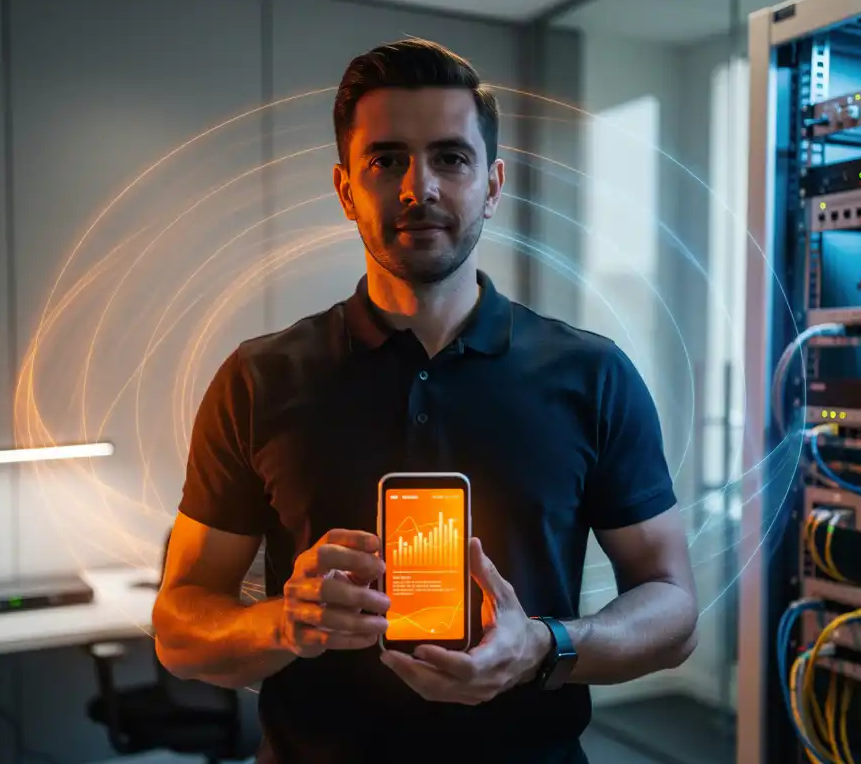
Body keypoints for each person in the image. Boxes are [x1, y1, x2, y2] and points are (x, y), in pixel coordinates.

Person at [153, 38, 699, 764]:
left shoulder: (593, 375)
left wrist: (543, 644)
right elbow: (179, 630)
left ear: (493, 185)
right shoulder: (258, 380)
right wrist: (286, 622)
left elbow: (673, 607)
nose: (420, 188)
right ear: (347, 189)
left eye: (450, 157)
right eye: (386, 161)